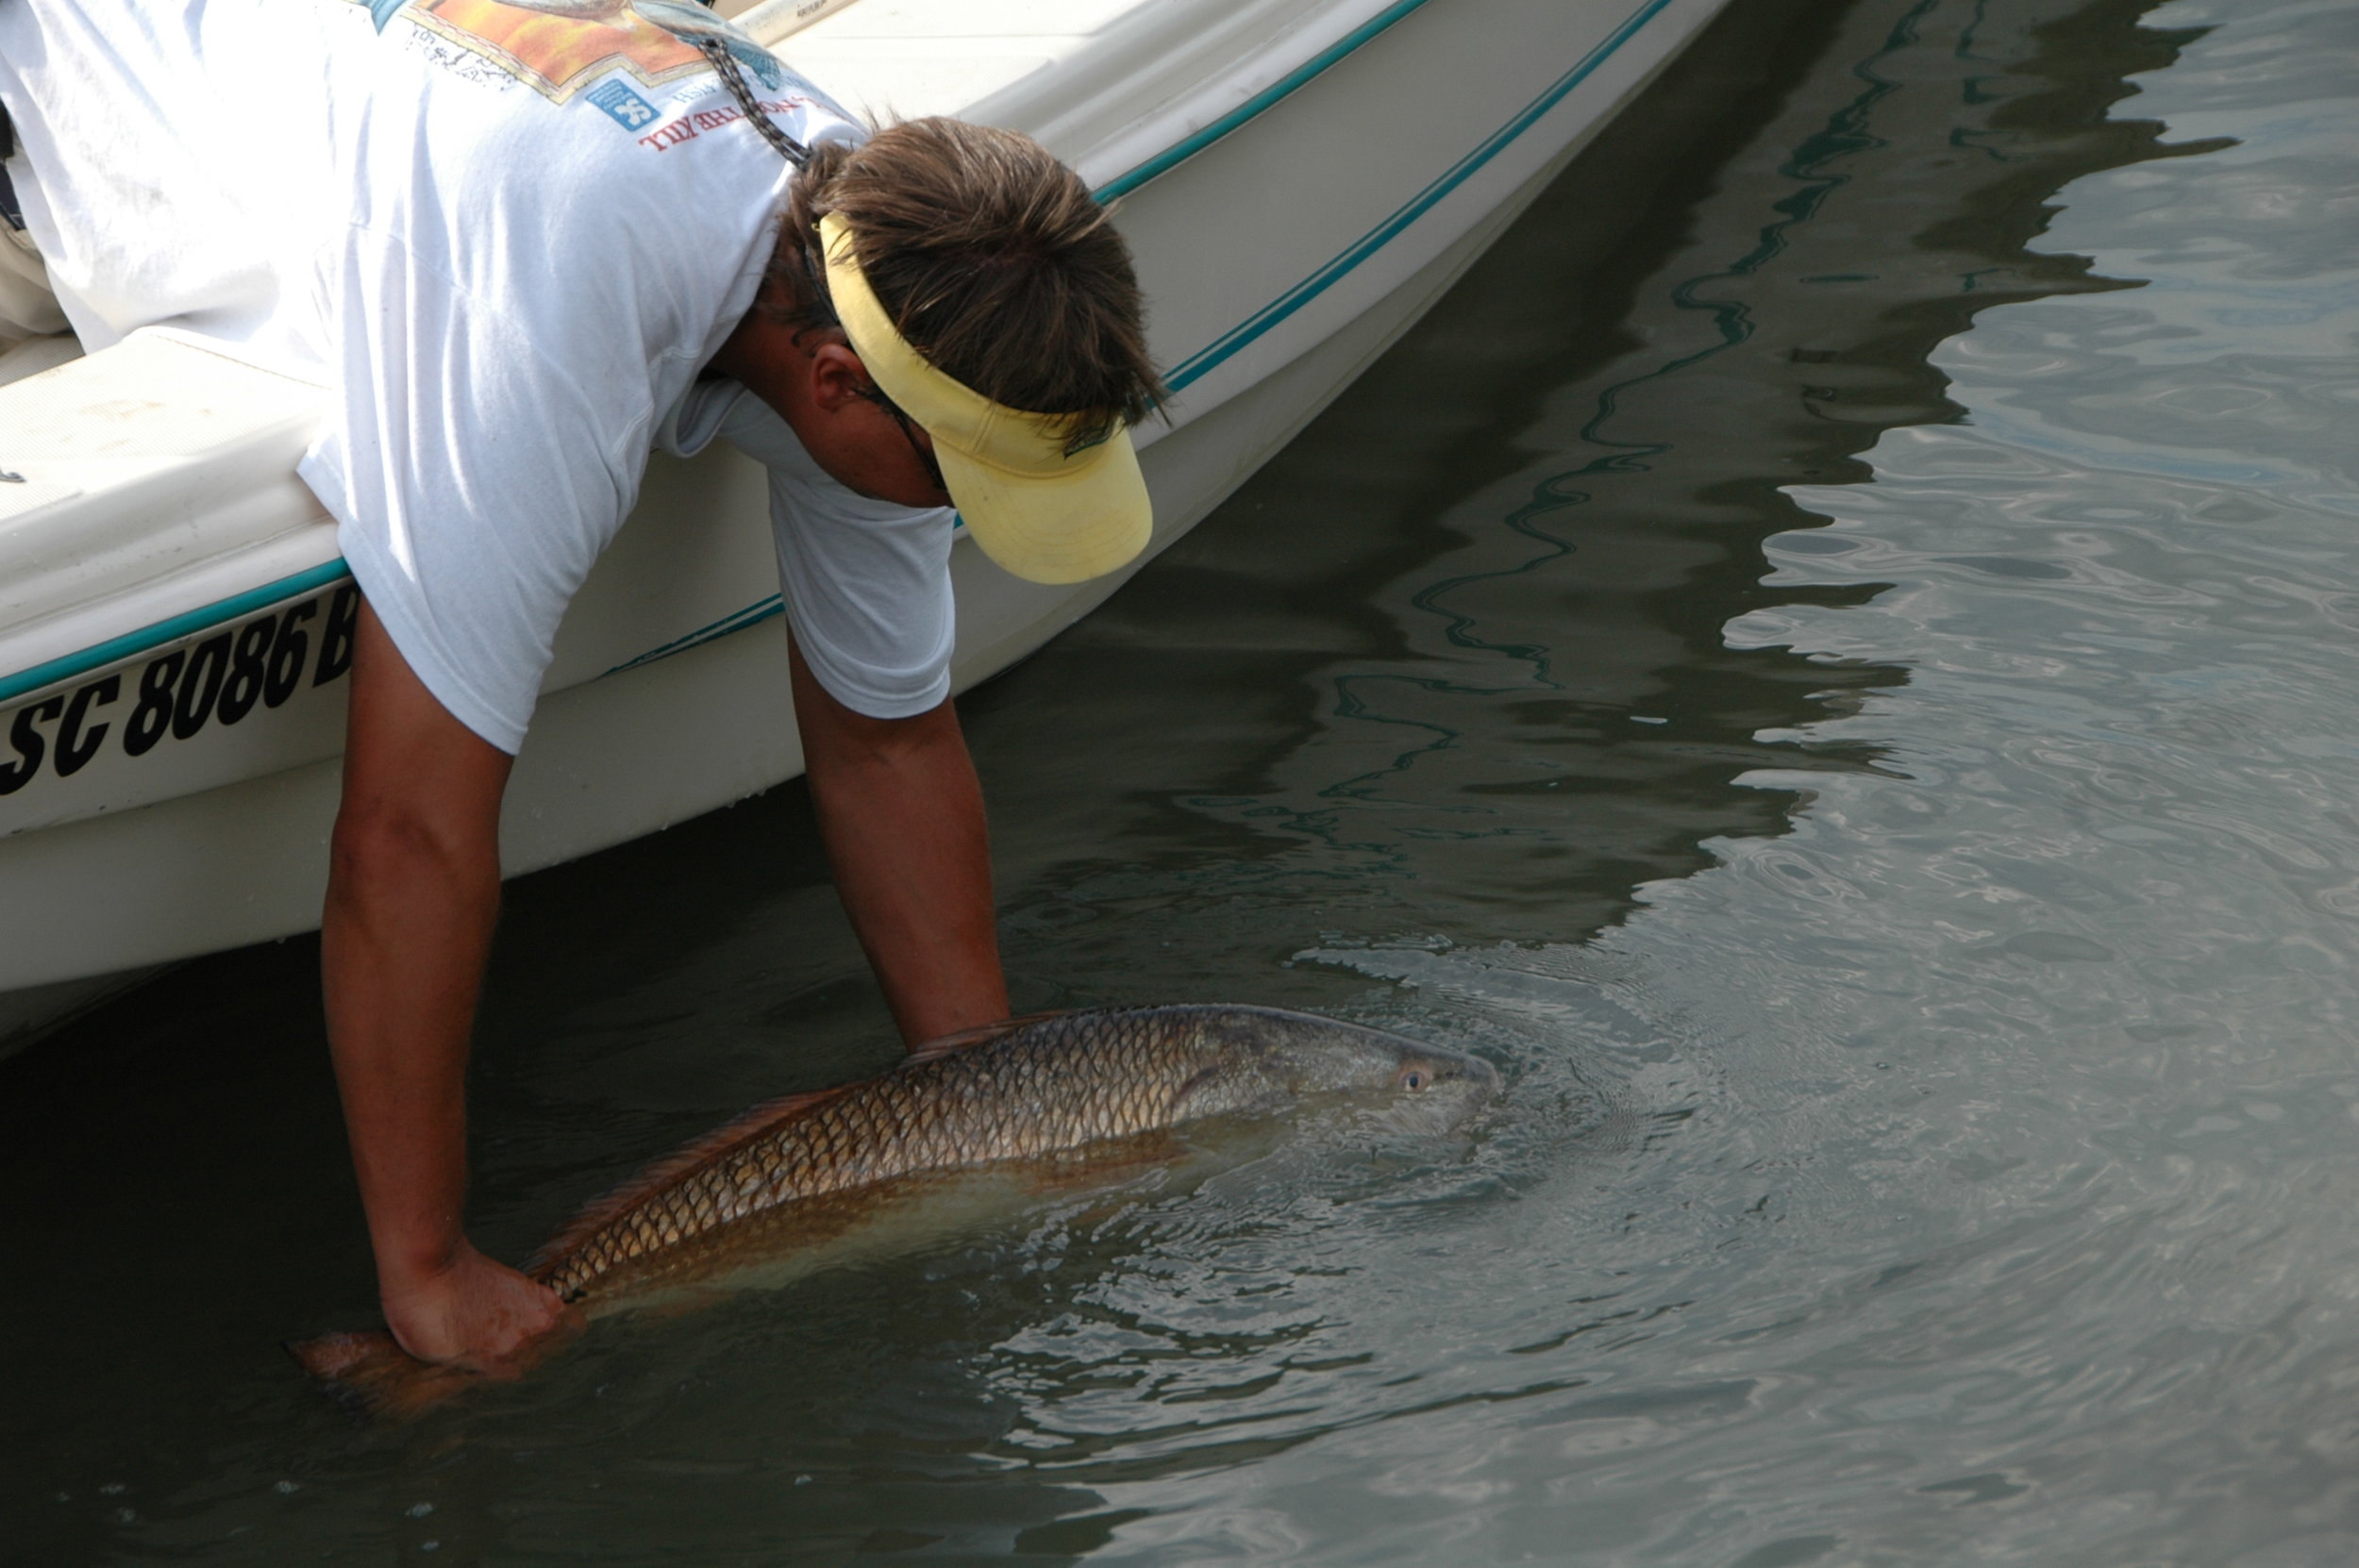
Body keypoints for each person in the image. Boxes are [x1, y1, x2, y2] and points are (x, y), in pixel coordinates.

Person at [0, 0, 1163, 1372]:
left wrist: (987, 1101)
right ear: (837, 384)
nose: (970, 515)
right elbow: (408, 831)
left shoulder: (885, 256)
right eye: (972, 483)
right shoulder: (543, 310)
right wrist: (428, 1272)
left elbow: (889, 738)